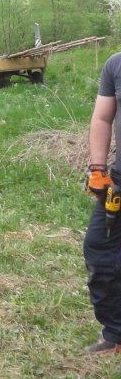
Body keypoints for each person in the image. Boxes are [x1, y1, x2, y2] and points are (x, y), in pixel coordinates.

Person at [83, 52, 121, 354]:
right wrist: (98, 169)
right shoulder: (116, 64)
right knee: (100, 248)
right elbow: (102, 117)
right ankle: (116, 333)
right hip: (119, 181)